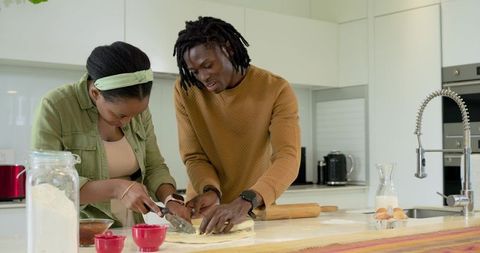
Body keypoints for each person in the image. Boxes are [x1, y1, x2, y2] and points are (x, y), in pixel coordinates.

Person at [32, 41, 191, 227]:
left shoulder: (135, 112)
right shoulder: (57, 106)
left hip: (129, 228)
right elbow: (46, 182)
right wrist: (117, 188)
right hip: (75, 229)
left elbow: (154, 166)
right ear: (95, 93)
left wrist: (170, 198)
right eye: (120, 115)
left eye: (137, 114)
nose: (128, 121)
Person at [173, 16, 301, 234]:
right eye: (194, 71)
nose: (203, 77)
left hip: (252, 208)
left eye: (207, 65)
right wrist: (211, 190)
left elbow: (287, 156)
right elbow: (194, 156)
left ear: (229, 49)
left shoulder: (276, 89)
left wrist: (247, 200)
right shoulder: (186, 91)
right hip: (204, 212)